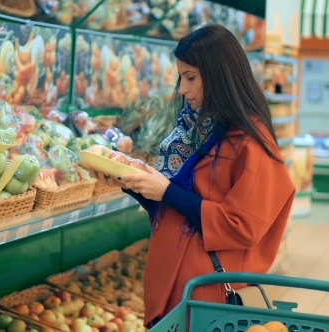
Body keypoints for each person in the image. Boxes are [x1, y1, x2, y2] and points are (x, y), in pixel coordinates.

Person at [85, 23, 295, 327]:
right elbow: (177, 208)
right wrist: (132, 181)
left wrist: (167, 191)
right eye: (181, 77)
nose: (182, 89)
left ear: (220, 76)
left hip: (208, 293)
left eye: (191, 77)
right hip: (176, 286)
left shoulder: (249, 141)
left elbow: (243, 226)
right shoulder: (195, 128)